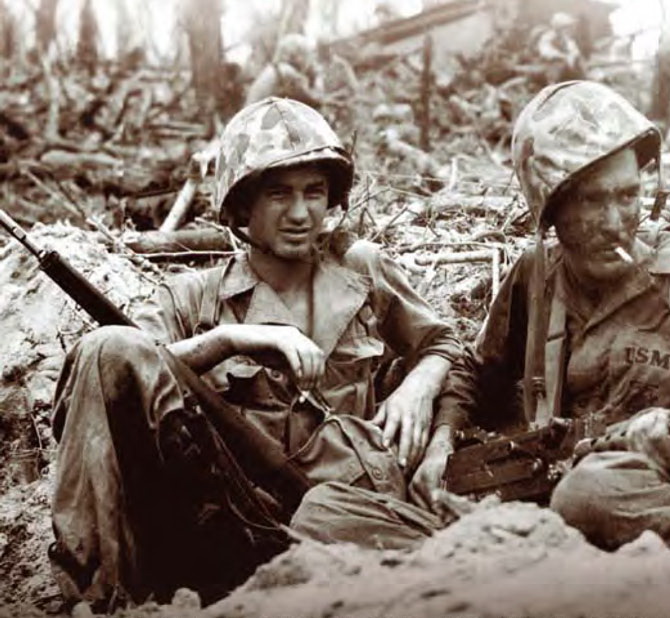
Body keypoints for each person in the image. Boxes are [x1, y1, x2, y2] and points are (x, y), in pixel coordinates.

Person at [49, 97, 462, 608]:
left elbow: (446, 343)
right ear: (243, 205)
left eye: (314, 192)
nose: (301, 213)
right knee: (106, 343)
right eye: (278, 193)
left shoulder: (361, 270)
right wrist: (230, 339)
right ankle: (95, 598)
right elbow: (114, 368)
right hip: (229, 525)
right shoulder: (193, 297)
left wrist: (419, 387)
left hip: (340, 514)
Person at [432, 81, 670, 555]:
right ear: (551, 208)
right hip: (544, 527)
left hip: (660, 524)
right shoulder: (536, 278)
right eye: (592, 200)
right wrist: (441, 441)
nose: (614, 222)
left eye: (627, 196)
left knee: (587, 493)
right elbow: (476, 373)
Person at [244, 34, 319, 107]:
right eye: (307, 54)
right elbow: (310, 100)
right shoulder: (287, 72)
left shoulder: (274, 69)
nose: (309, 61)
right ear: (297, 55)